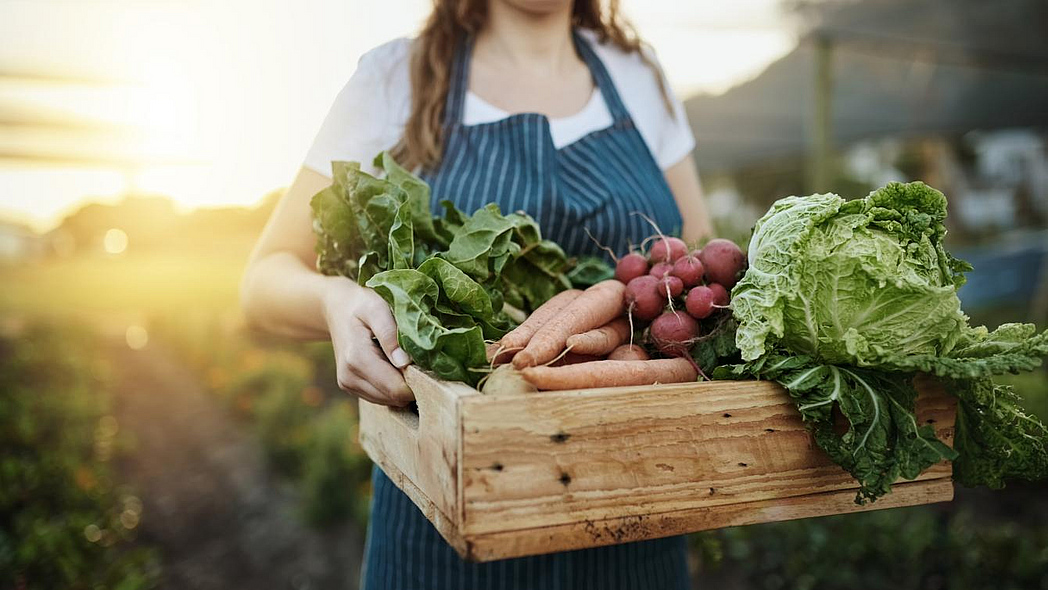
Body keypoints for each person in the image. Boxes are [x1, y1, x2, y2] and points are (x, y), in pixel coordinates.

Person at [241, 0, 712, 587]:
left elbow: (696, 258)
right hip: (446, 518)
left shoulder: (636, 73)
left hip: (636, 502)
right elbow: (262, 278)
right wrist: (336, 300)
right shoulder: (394, 77)